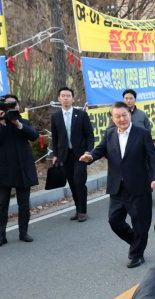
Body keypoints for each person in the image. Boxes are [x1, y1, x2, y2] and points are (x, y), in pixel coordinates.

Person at [79, 102, 155, 268]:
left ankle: (136, 254)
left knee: (140, 222)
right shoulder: (109, 134)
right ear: (112, 118)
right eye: (117, 116)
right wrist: (90, 157)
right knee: (114, 220)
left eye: (124, 115)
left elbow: (153, 157)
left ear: (130, 113)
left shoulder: (142, 133)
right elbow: (99, 150)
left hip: (139, 185)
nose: (121, 119)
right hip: (118, 186)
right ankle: (135, 241)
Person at [0, 93, 39, 247]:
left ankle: (23, 232)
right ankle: (1, 236)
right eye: (9, 105)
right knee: (1, 204)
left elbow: (33, 136)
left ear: (19, 106)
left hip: (22, 168)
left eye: (14, 105)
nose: (12, 108)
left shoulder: (23, 122)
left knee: (24, 204)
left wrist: (18, 123)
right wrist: (2, 122)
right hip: (3, 169)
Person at [51, 87, 94, 222]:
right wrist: (55, 154)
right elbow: (55, 138)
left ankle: (83, 211)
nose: (65, 98)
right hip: (65, 155)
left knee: (79, 182)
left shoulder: (81, 115)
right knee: (72, 183)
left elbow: (89, 135)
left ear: (73, 98)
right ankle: (77, 209)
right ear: (59, 99)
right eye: (63, 96)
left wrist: (88, 151)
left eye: (68, 96)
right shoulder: (55, 116)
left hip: (80, 154)